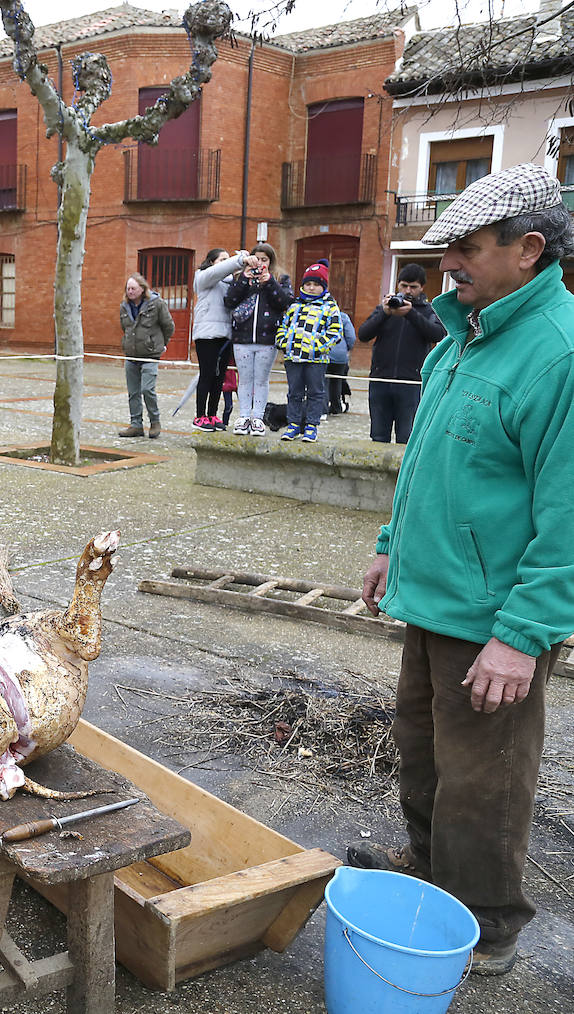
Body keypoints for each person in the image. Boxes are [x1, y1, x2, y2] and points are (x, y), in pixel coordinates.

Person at [353, 163, 574, 976]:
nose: (449, 264)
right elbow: (433, 465)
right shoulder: (469, 332)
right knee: (423, 751)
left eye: (467, 249)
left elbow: (570, 519)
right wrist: (389, 543)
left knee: (485, 779)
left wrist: (521, 636)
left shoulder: (560, 353)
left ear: (528, 249)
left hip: (493, 617)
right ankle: (435, 879)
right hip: (435, 595)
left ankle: (486, 924)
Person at [356, 262, 446, 443]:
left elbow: (437, 334)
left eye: (413, 287)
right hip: (381, 380)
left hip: (411, 383)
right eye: (404, 286)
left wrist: (411, 313)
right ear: (397, 284)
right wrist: (384, 313)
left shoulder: (429, 311)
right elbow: (363, 335)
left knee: (407, 437)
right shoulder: (384, 309)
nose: (408, 291)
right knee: (378, 436)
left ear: (422, 287)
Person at [224, 242, 294, 435]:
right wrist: (244, 280)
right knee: (245, 379)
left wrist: (269, 282)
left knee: (261, 379)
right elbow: (229, 301)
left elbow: (285, 303)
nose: (260, 263)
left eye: (265, 260)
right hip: (242, 338)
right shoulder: (240, 277)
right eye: (257, 259)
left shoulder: (280, 278)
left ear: (270, 261)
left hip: (267, 339)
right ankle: (244, 415)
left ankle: (258, 417)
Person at [275, 258, 341, 442]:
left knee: (315, 393)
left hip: (316, 360)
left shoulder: (330, 307)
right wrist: (284, 342)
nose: (311, 288)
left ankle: (311, 425)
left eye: (316, 284)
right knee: (294, 392)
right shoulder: (294, 306)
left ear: (324, 286)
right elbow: (283, 326)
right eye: (308, 284)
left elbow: (335, 332)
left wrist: (317, 347)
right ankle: (293, 424)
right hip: (293, 358)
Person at [190, 247, 249, 432]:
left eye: (227, 259)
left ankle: (212, 414)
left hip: (226, 335)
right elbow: (217, 272)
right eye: (221, 259)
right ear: (211, 261)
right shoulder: (203, 276)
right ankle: (199, 416)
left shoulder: (231, 282)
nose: (225, 262)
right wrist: (238, 259)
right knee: (207, 375)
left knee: (219, 377)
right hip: (207, 334)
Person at [118, 274, 174, 438]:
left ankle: (155, 422)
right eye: (128, 288)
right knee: (133, 392)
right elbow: (125, 328)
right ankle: (136, 425)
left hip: (150, 355)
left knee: (147, 389)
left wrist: (161, 344)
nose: (130, 291)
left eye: (133, 288)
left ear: (142, 289)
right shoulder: (124, 306)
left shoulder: (156, 304)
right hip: (131, 355)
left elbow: (168, 326)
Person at [324, 308, 356, 418]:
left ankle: (323, 410)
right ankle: (336, 407)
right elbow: (351, 337)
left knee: (323, 382)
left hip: (324, 353)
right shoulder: (343, 317)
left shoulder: (320, 314)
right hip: (340, 356)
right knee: (337, 381)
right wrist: (346, 349)